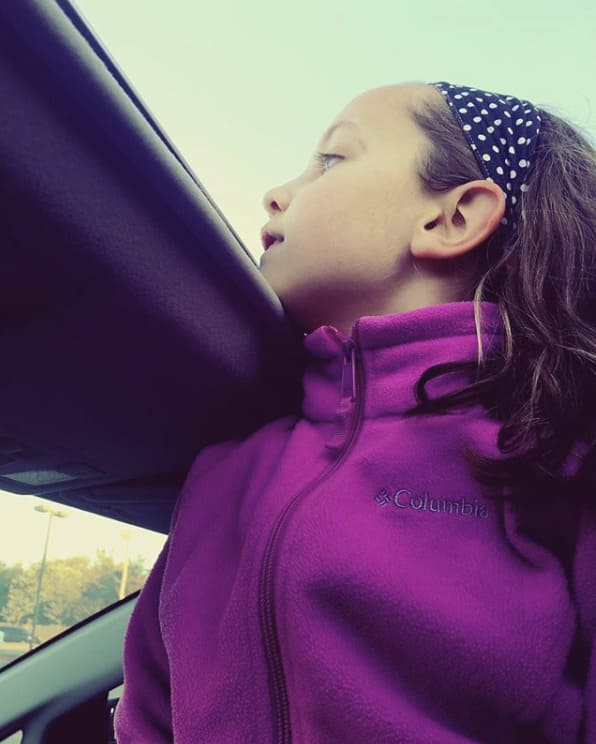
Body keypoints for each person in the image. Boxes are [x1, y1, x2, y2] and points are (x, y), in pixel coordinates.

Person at [114, 81, 596, 743]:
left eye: (331, 159)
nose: (275, 194)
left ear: (452, 218)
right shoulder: (227, 466)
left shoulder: (555, 450)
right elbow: (149, 711)